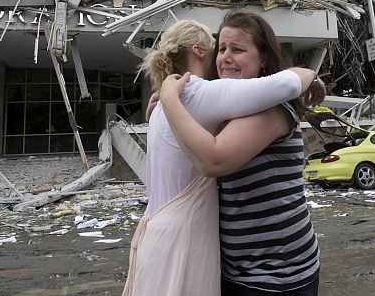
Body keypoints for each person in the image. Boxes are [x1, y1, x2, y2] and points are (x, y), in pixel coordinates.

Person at [122, 19, 325, 296]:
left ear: (263, 58)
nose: (226, 57)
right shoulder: (224, 107)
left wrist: (171, 102)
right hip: (236, 268)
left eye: (238, 49)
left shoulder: (270, 110)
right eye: (222, 49)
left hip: (276, 273)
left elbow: (213, 161)